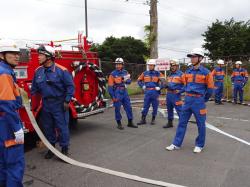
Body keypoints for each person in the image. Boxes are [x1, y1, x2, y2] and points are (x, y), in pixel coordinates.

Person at [166, 48, 214, 153]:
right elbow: (185, 85)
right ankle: (176, 143)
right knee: (182, 122)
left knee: (200, 124)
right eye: (191, 57)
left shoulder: (206, 73)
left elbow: (210, 89)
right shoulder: (187, 72)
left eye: (194, 56)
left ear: (200, 58)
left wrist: (203, 99)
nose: (192, 59)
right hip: (187, 100)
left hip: (198, 101)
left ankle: (199, 145)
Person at [31, 45, 75, 159]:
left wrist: (67, 100)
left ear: (49, 57)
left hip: (59, 104)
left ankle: (64, 149)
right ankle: (51, 149)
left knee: (62, 127)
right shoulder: (38, 71)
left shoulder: (62, 71)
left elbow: (70, 87)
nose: (38, 57)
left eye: (41, 55)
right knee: (47, 127)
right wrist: (33, 106)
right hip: (45, 104)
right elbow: (34, 90)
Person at [0, 39, 25, 187]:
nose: (17, 56)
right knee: (14, 164)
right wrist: (17, 128)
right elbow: (7, 105)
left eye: (18, 54)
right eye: (12, 53)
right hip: (7, 124)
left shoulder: (4, 71)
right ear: (2, 55)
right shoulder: (4, 74)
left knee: (2, 164)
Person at [108, 58, 137, 130]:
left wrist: (127, 80)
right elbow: (110, 87)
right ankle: (119, 123)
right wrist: (113, 97)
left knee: (129, 107)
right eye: (117, 64)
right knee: (117, 108)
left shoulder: (125, 72)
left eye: (119, 64)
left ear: (122, 65)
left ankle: (130, 122)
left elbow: (129, 81)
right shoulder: (112, 74)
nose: (118, 66)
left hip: (124, 91)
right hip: (117, 92)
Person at [137, 59, 165, 125]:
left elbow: (164, 82)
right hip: (147, 92)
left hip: (155, 92)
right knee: (145, 106)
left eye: (152, 65)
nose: (150, 66)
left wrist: (160, 87)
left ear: (154, 66)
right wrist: (142, 85)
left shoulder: (158, 73)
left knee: (155, 106)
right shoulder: (145, 73)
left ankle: (153, 119)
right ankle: (143, 119)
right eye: (149, 65)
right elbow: (139, 80)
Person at [163, 59, 185, 128]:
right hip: (169, 94)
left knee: (179, 110)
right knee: (169, 109)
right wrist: (165, 84)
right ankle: (170, 123)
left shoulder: (181, 74)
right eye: (171, 66)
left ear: (177, 66)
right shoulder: (170, 74)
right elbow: (167, 83)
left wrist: (180, 91)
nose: (172, 67)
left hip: (176, 95)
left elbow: (186, 85)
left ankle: (182, 125)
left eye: (173, 65)